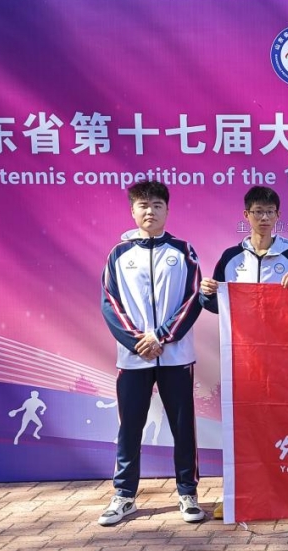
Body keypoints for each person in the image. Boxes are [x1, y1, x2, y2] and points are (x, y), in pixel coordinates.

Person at [99, 181, 204, 526]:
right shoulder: (118, 254)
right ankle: (124, 495)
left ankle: (187, 493)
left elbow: (193, 298)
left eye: (157, 205)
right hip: (133, 358)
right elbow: (110, 303)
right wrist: (138, 341)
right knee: (130, 427)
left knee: (182, 428)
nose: (150, 211)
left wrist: (161, 337)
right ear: (133, 211)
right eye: (143, 205)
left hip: (175, 356)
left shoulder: (183, 250)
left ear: (167, 210)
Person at [199, 186, 288, 519]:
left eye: (269, 212)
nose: (263, 218)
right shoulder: (231, 257)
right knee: (239, 427)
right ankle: (234, 495)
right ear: (246, 215)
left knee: (280, 424)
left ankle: (284, 493)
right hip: (240, 356)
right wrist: (206, 293)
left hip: (280, 356)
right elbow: (215, 304)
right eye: (257, 211)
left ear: (278, 216)